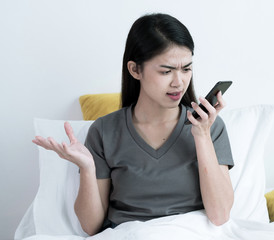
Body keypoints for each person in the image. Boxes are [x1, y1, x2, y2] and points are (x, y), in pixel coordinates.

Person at [32, 13, 234, 236]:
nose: (179, 82)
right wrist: (88, 169)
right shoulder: (104, 132)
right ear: (135, 69)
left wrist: (202, 136)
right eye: (166, 71)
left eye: (186, 69)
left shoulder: (210, 127)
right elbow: (91, 227)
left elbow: (220, 215)